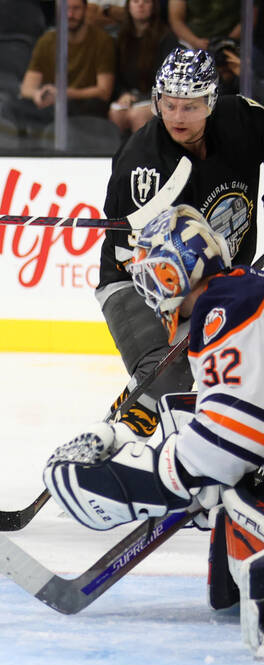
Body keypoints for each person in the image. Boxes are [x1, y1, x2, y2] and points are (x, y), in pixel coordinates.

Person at [44, 205, 264, 659]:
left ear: (169, 272)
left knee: (238, 494)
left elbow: (225, 447)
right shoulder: (239, 292)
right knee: (231, 497)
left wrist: (128, 478)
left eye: (149, 274)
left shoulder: (228, 307)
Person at [98, 47, 264, 440]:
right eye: (168, 105)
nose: (176, 117)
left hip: (226, 278)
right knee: (167, 372)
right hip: (138, 280)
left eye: (189, 107)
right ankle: (123, 444)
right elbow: (149, 267)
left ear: (210, 101)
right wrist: (215, 308)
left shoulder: (242, 119)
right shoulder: (142, 166)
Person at [5, 0, 116, 129]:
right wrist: (39, 94)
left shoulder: (102, 41)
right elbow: (27, 88)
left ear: (86, 10)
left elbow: (103, 91)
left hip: (82, 102)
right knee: (12, 106)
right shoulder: (46, 41)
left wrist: (63, 93)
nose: (70, 14)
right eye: (65, 9)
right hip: (52, 100)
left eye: (76, 9)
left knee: (80, 107)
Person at [108, 0, 178, 136]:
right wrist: (123, 93)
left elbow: (167, 79)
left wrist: (147, 97)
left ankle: (142, 157)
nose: (140, 5)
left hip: (158, 97)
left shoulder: (166, 37)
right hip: (130, 96)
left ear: (154, 6)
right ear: (128, 6)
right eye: (135, 1)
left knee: (137, 115)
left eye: (146, 1)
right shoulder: (120, 37)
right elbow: (115, 74)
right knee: (116, 113)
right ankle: (117, 156)